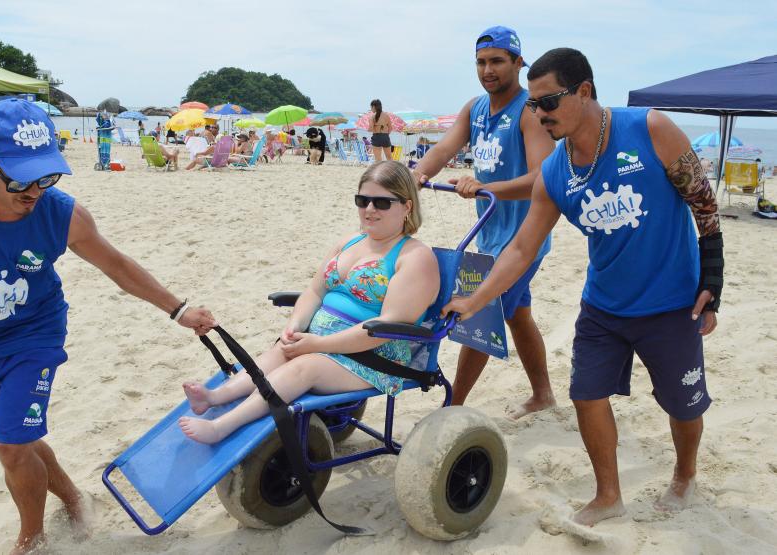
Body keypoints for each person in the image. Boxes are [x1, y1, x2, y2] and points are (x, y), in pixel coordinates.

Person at [0, 99, 217, 553]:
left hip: (36, 334)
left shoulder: (62, 213)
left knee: (11, 445)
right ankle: (71, 496)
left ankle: (31, 542)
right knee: (17, 439)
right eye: (20, 177)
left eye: (47, 175)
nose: (34, 190)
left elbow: (116, 264)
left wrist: (178, 309)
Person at [442, 48, 723, 527]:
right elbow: (521, 248)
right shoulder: (554, 172)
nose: (538, 114)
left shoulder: (650, 128)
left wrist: (712, 279)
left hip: (671, 303)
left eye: (547, 102)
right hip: (603, 305)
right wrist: (475, 300)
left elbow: (703, 201)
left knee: (681, 403)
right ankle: (608, 495)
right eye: (532, 105)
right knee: (586, 395)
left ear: (584, 92)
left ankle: (684, 474)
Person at [179, 161, 439, 444]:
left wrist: (318, 345)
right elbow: (315, 290)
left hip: (375, 357)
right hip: (322, 342)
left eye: (382, 202)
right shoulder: (352, 241)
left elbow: (387, 326)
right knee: (283, 349)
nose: (369, 209)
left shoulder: (415, 257)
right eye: (362, 200)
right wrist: (294, 327)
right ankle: (215, 396)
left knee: (305, 366)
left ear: (407, 207)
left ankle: (222, 427)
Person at [412, 25, 557, 417]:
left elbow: (542, 179)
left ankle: (452, 406)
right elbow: (443, 148)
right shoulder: (475, 108)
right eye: (481, 62)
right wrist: (415, 176)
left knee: (480, 311)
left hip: (525, 238)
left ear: (517, 63)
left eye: (497, 61)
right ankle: (543, 395)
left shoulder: (529, 111)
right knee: (517, 314)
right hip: (491, 234)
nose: (488, 69)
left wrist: (484, 186)